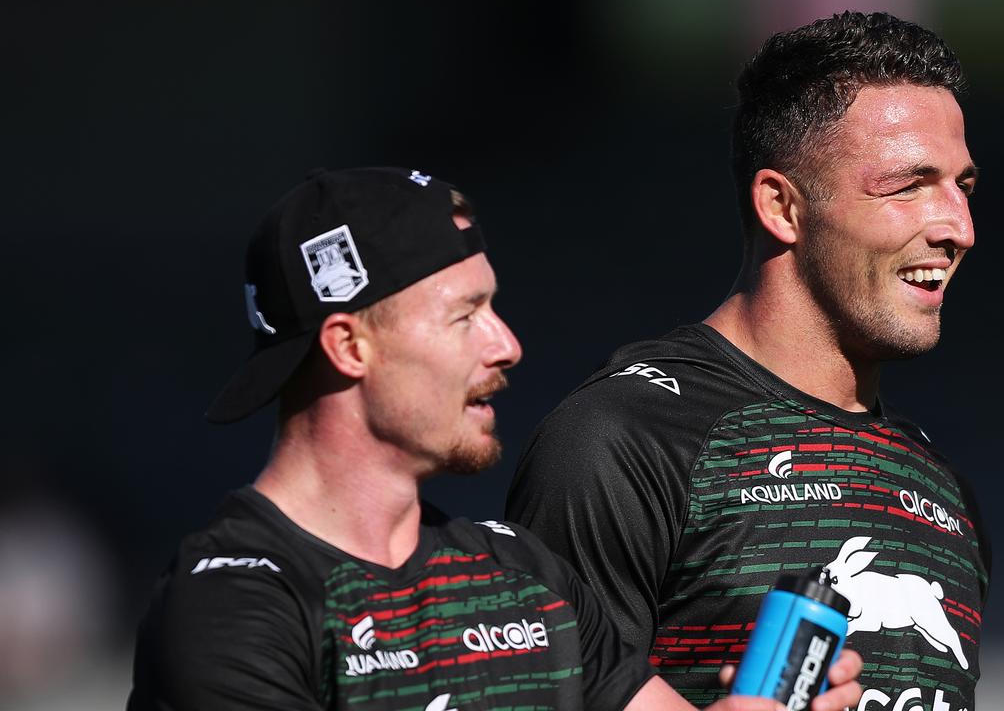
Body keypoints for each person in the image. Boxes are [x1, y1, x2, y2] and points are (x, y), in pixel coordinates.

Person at [126, 167, 862, 711]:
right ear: (350, 347)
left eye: (496, 309)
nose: (507, 345)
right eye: (464, 314)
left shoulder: (523, 574)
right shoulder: (237, 602)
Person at [506, 12, 990, 709]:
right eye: (908, 185)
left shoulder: (941, 488)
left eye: (962, 186)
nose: (958, 228)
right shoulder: (623, 439)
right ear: (782, 207)